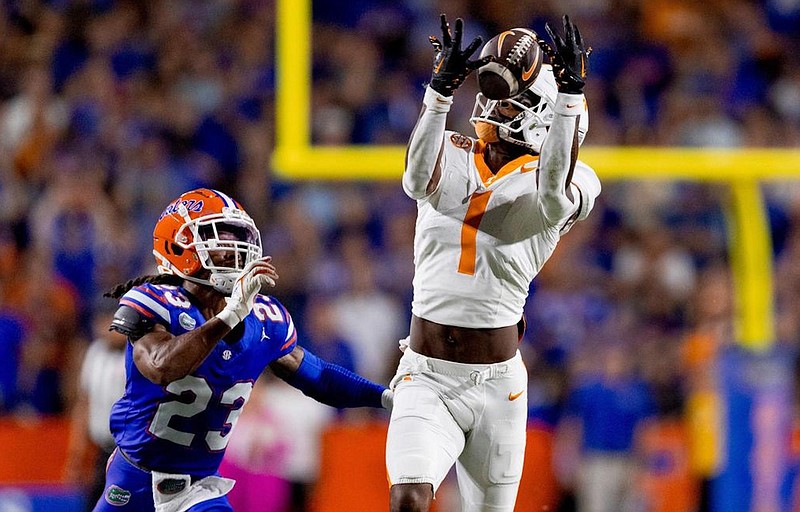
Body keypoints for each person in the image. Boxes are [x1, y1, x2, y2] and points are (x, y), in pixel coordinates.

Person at [386, 14, 601, 512]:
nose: (495, 105)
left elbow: (543, 202)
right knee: (409, 499)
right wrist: (438, 93)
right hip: (426, 373)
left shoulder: (575, 180)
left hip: (498, 384)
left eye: (513, 100)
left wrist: (570, 94)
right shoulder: (458, 151)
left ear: (547, 115)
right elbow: (416, 181)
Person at [94, 188, 392, 512]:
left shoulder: (264, 317)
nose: (232, 250)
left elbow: (318, 376)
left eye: (236, 238)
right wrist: (228, 316)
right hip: (132, 480)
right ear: (177, 244)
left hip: (197, 490)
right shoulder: (155, 301)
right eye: (216, 238)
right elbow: (161, 367)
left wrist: (383, 396)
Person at [64, 306, 128, 511]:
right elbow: (84, 403)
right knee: (93, 504)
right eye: (101, 322)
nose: (107, 328)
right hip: (102, 450)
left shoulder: (138, 353)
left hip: (130, 452)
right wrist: (76, 454)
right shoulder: (95, 352)